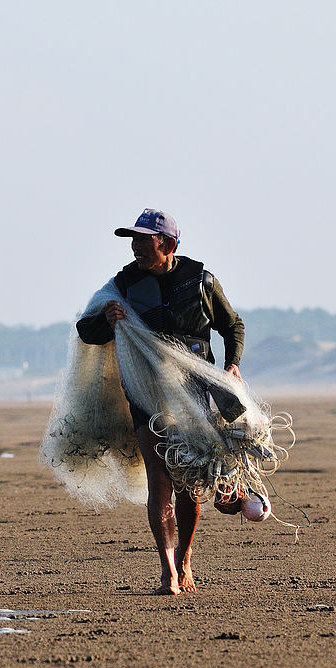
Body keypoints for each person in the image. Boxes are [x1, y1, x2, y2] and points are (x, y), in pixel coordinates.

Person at [75, 208, 245, 595]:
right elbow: (87, 332)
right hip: (146, 394)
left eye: (142, 240)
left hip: (197, 393)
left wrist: (232, 367)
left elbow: (232, 325)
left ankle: (184, 559)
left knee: (189, 484)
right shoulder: (123, 284)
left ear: (166, 245)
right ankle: (168, 571)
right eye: (131, 240)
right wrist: (107, 316)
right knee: (160, 479)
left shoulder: (201, 281)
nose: (134, 247)